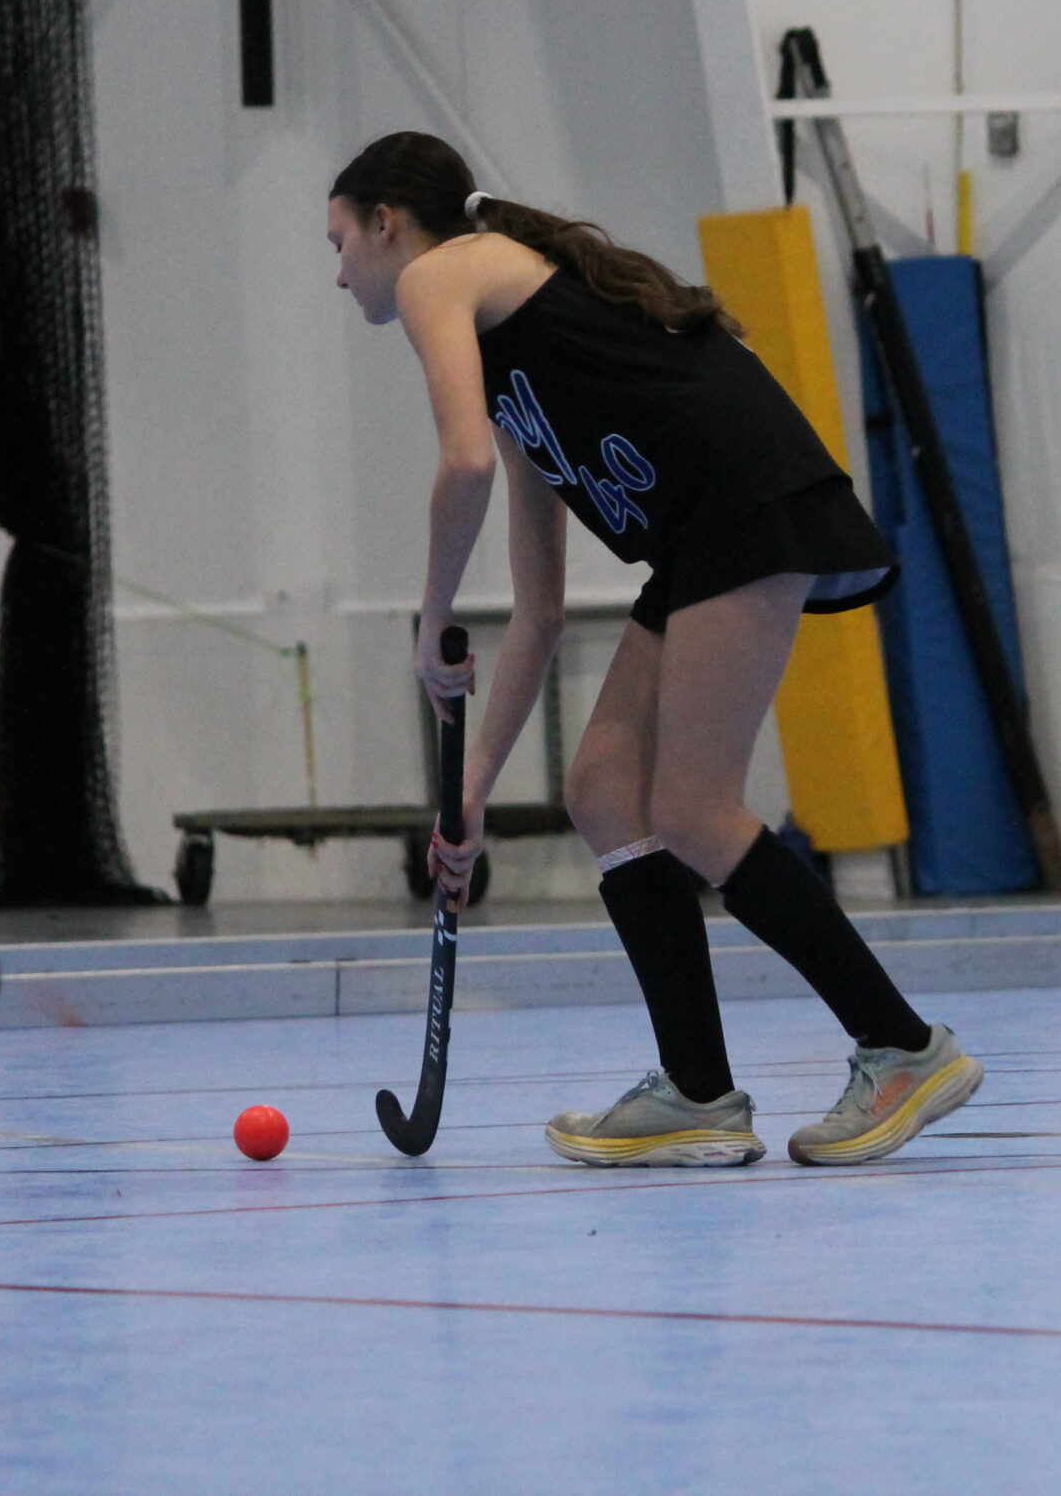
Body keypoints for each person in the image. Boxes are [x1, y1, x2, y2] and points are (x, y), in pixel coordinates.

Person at [325, 131, 983, 1167]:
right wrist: (472, 796)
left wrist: (430, 615)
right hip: (702, 534)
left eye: (340, 244)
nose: (340, 273)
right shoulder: (514, 367)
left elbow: (461, 467)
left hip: (744, 506)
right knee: (600, 786)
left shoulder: (439, 274)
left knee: (692, 809)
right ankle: (698, 1091)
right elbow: (541, 611)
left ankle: (903, 1047)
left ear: (387, 223)